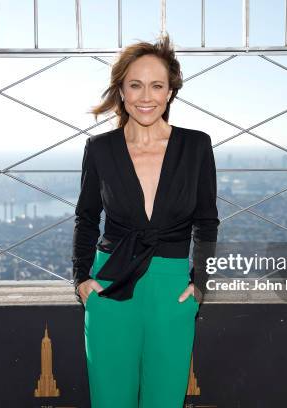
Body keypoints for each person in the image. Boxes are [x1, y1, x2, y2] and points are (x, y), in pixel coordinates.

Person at [72, 33, 219, 408]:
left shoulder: (197, 146)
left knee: (164, 400)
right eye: (135, 85)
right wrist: (81, 279)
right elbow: (86, 218)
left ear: (171, 92)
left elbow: (207, 221)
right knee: (110, 399)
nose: (146, 96)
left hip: (172, 290)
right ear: (121, 90)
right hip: (109, 285)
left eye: (157, 85)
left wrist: (199, 285)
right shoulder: (100, 149)